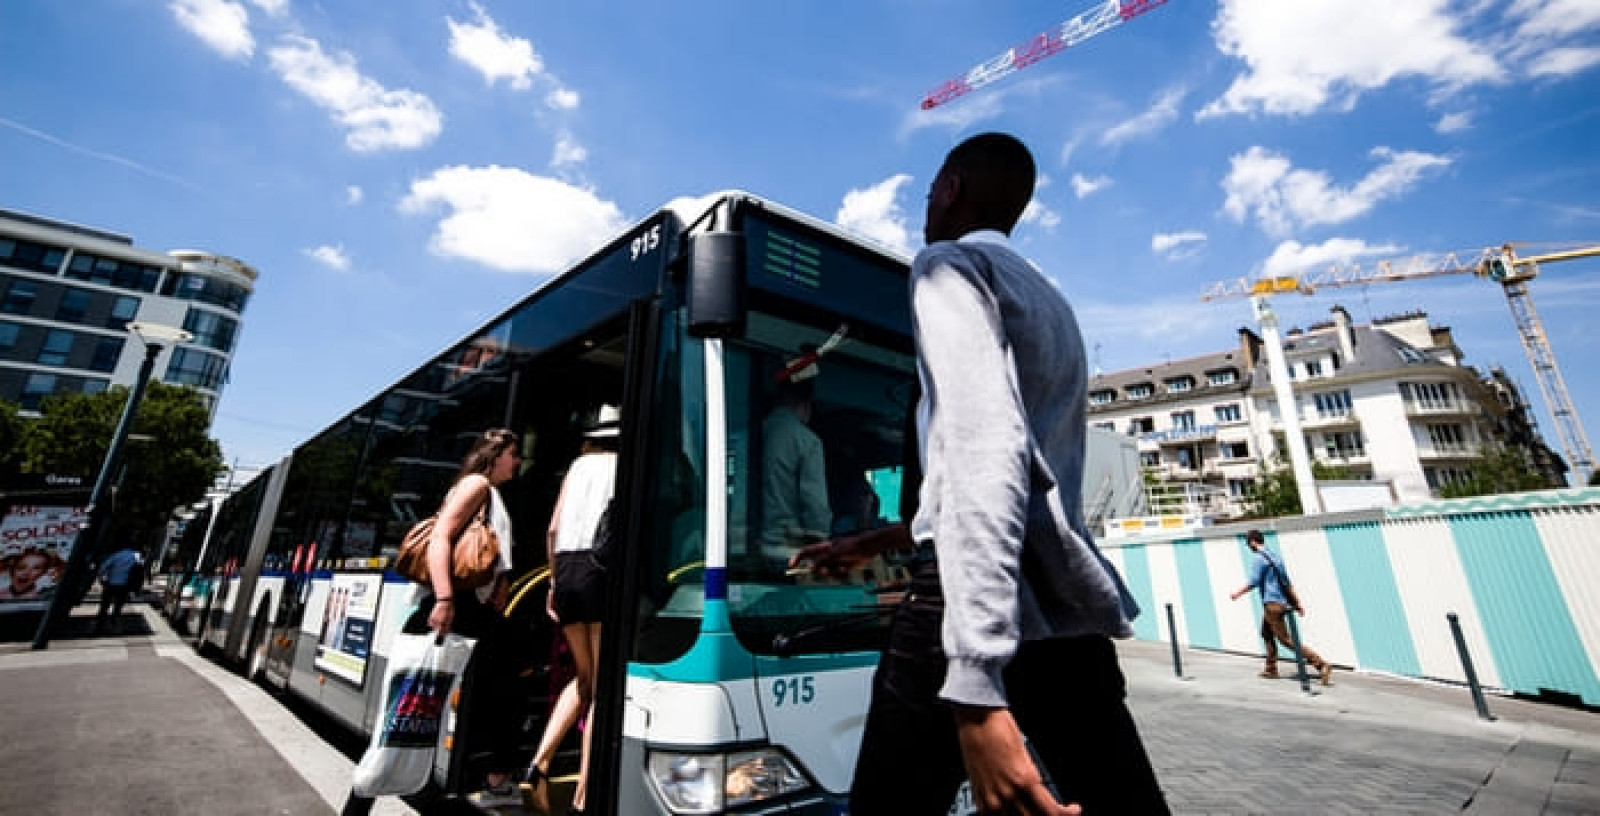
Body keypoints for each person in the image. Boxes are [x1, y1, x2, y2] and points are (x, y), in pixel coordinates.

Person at [796, 133, 1168, 814]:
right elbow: (1024, 474)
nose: (924, 207)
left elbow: (986, 448)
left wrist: (974, 678)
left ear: (951, 189)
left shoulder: (947, 267)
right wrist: (875, 542)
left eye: (929, 190)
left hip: (966, 598)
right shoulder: (1052, 302)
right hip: (1058, 604)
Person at [341, 428, 522, 816]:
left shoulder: (489, 494)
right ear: (495, 455)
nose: (518, 461)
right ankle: (362, 802)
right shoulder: (476, 484)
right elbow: (440, 538)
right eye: (513, 453)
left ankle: (484, 780)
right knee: (414, 706)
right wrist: (443, 598)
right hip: (453, 608)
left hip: (474, 611)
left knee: (467, 699)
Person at [545, 405, 620, 815]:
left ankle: (540, 762)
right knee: (604, 685)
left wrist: (554, 583)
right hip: (600, 569)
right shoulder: (622, 465)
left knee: (584, 678)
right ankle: (586, 790)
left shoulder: (577, 467)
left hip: (568, 571)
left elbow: (554, 527)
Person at [1229, 529, 1333, 686]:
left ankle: (1320, 664)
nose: (1249, 547)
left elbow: (1254, 581)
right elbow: (1286, 582)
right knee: (1265, 632)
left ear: (1252, 542)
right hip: (1282, 603)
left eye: (1248, 544)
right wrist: (1297, 604)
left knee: (1286, 640)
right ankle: (1271, 668)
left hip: (1272, 605)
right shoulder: (1275, 557)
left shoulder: (1259, 558)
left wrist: (1237, 594)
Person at [760, 359, 831, 568]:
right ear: (806, 405)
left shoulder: (747, 436)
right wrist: (823, 548)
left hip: (742, 549)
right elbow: (816, 507)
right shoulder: (806, 441)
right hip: (787, 553)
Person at [95, 543, 144, 631]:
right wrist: (136, 586)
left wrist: (100, 578)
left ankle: (101, 620)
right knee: (119, 603)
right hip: (124, 584)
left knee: (105, 603)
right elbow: (140, 570)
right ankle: (115, 619)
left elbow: (103, 567)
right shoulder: (136, 556)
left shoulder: (116, 555)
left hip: (110, 583)